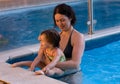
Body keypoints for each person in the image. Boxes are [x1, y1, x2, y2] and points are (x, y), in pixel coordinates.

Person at [52, 3, 85, 83]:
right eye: (57, 21)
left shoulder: (78, 37)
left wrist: (52, 64)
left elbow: (75, 63)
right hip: (57, 72)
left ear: (70, 18)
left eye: (63, 20)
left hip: (72, 74)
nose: (60, 24)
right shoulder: (57, 35)